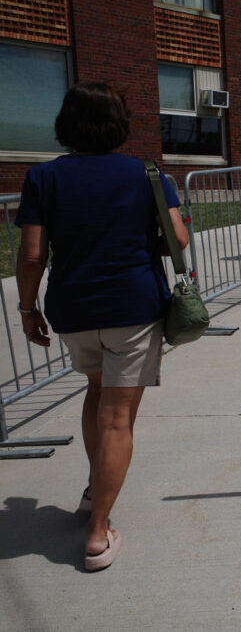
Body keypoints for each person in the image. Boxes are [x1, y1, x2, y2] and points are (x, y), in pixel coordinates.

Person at [14, 82, 189, 571]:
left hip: (72, 309)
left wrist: (28, 309)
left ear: (65, 124)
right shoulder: (147, 173)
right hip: (132, 306)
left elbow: (31, 255)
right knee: (118, 417)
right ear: (121, 123)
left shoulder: (41, 178)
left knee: (96, 393)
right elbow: (179, 238)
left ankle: (94, 492)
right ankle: (97, 535)